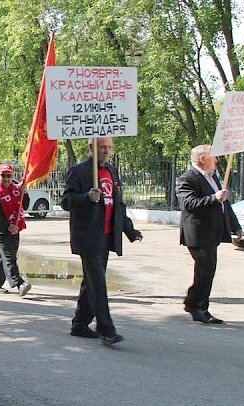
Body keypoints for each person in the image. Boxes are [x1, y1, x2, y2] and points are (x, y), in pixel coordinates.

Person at [60, 136, 143, 345]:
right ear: (91, 148)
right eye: (102, 147)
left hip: (106, 236)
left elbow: (118, 205)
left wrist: (130, 230)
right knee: (98, 281)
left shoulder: (112, 172)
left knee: (91, 281)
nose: (106, 151)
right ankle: (106, 328)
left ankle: (80, 323)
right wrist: (87, 197)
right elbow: (66, 201)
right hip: (88, 236)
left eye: (108, 147)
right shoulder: (78, 171)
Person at [176, 144, 242, 324]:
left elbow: (224, 204)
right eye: (214, 156)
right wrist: (214, 198)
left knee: (207, 271)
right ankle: (193, 304)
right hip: (197, 233)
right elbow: (188, 203)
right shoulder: (187, 178)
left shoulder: (213, 178)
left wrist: (236, 226)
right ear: (203, 158)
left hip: (212, 232)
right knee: (205, 269)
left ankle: (201, 308)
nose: (217, 160)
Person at [0, 163, 32, 296]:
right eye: (3, 176)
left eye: (9, 175)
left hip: (16, 228)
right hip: (1, 231)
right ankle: (19, 283)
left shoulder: (17, 189)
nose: (6, 179)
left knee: (5, 256)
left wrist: (25, 193)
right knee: (9, 257)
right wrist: (8, 226)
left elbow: (25, 205)